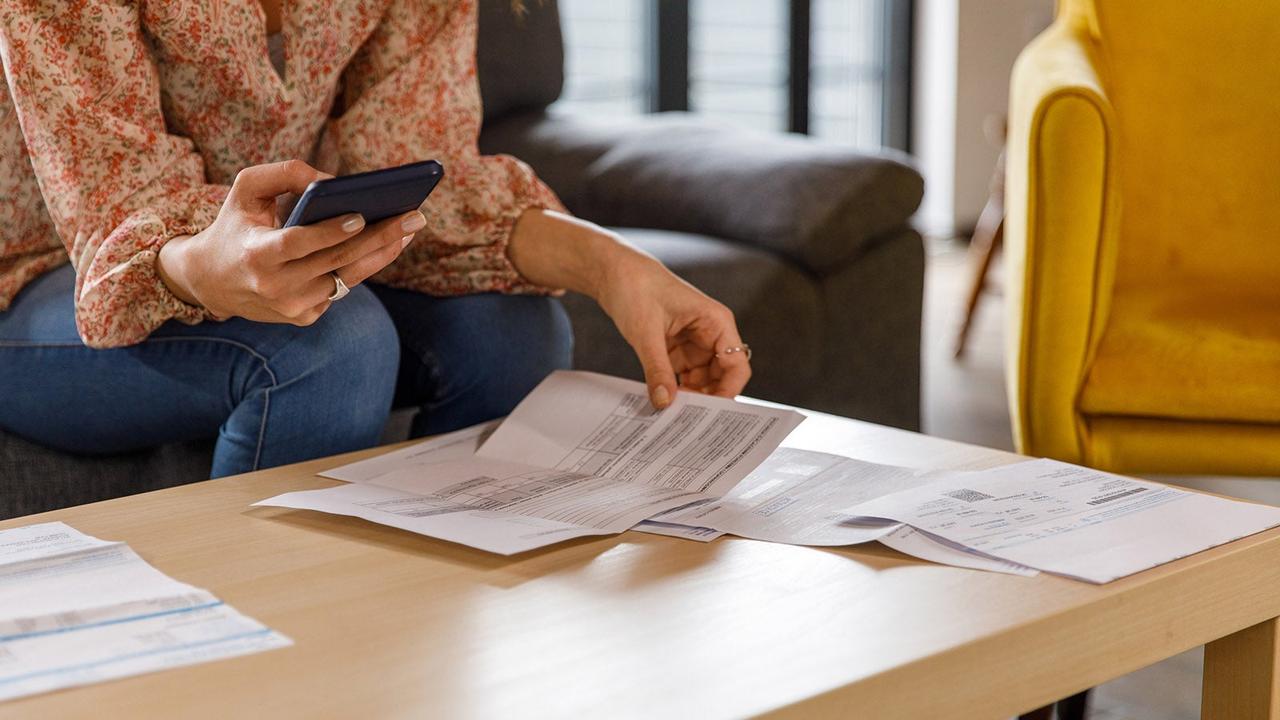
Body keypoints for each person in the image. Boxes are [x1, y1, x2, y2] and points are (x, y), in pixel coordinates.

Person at [0, 0, 751, 478]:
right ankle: (266, 659)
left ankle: (429, 626)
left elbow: (417, 169)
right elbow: (117, 204)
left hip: (266, 245)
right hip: (48, 266)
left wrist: (611, 264)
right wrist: (205, 267)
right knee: (334, 343)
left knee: (514, 332)